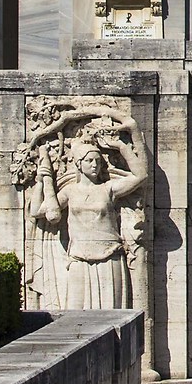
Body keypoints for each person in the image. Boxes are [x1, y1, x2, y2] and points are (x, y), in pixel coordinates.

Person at [29, 106, 150, 310]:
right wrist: (41, 182)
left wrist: (121, 146)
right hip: (79, 257)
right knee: (74, 312)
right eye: (89, 161)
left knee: (111, 313)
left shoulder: (108, 188)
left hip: (109, 255)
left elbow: (140, 176)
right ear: (78, 164)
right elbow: (38, 212)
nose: (95, 165)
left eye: (97, 161)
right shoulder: (70, 191)